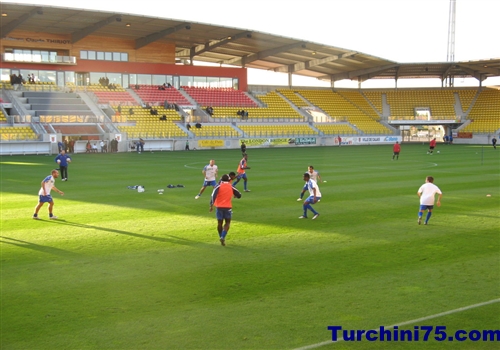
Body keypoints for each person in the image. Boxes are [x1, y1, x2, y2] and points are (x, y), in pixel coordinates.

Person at [209, 174, 242, 246]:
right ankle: (223, 236)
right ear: (228, 179)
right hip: (228, 207)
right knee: (227, 223)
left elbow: (213, 196)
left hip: (219, 207)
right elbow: (239, 194)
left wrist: (211, 205)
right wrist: (236, 196)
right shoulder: (231, 186)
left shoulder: (218, 186)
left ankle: (221, 236)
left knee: (219, 223)